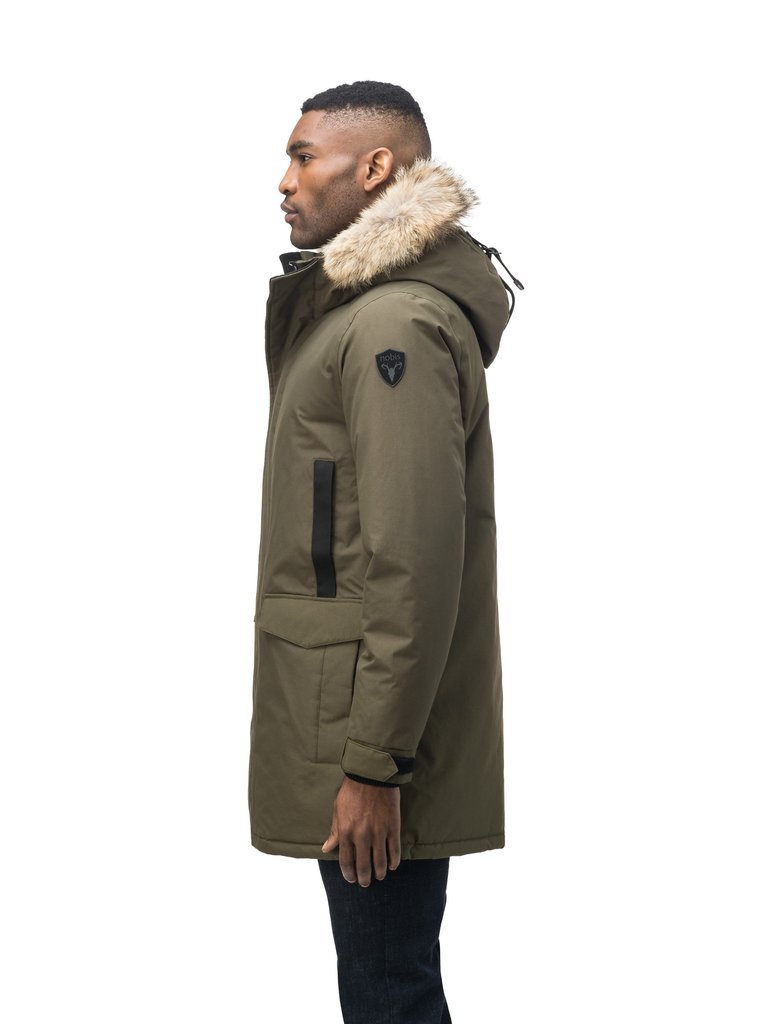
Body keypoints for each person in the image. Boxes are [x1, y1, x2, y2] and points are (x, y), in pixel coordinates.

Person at [248, 80, 521, 1024]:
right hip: (351, 714)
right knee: (383, 984)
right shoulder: (361, 313)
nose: (284, 181)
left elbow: (415, 559)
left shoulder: (392, 323)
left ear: (373, 170)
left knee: (388, 993)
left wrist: (374, 766)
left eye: (302, 157)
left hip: (367, 736)